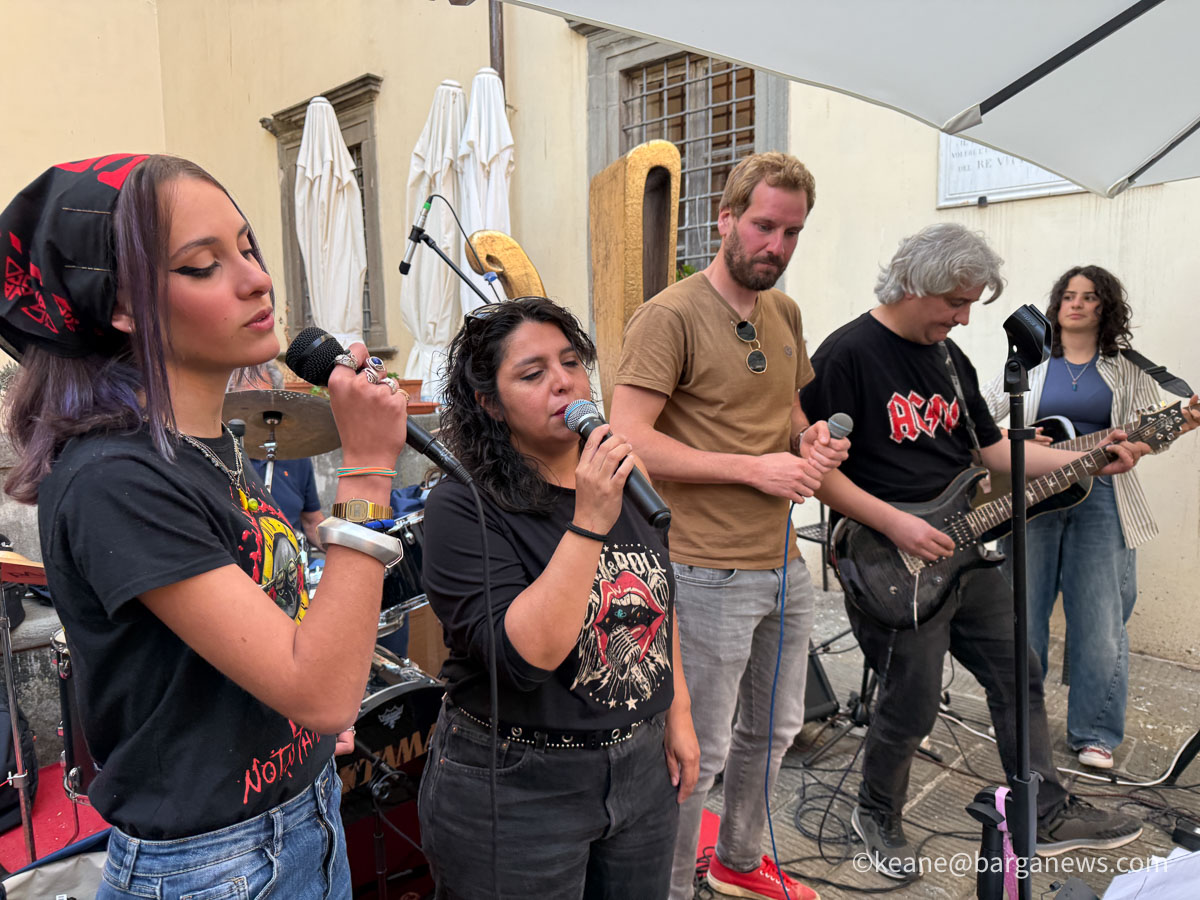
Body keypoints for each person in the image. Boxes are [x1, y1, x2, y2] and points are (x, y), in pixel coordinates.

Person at [1, 154, 409, 898]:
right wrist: (367, 474)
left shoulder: (208, 445)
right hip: (214, 869)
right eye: (202, 265)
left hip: (303, 821)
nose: (257, 279)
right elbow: (319, 688)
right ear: (121, 307)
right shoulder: (112, 481)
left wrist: (300, 731)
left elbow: (271, 657)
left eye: (249, 248)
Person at [801, 224, 1146, 880]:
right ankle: (876, 812)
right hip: (888, 558)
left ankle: (1041, 810)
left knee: (1021, 672)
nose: (964, 317)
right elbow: (814, 472)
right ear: (913, 285)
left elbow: (992, 453)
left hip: (966, 550)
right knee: (911, 699)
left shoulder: (949, 360)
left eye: (970, 304)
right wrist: (896, 524)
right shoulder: (846, 355)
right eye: (955, 302)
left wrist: (1088, 458)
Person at [611, 151, 847, 900]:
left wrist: (809, 440)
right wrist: (753, 469)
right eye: (764, 226)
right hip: (703, 568)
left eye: (792, 232)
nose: (776, 246)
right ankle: (671, 889)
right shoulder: (670, 316)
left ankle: (739, 861)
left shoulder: (785, 313)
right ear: (725, 220)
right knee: (699, 751)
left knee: (775, 731)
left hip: (782, 562)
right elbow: (627, 440)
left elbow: (788, 414)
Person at [417, 296, 698, 898]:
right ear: (490, 403)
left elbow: (658, 600)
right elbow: (526, 657)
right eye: (532, 373)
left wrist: (678, 713)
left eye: (571, 362)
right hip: (518, 783)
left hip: (641, 766)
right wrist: (590, 520)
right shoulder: (462, 505)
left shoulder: (625, 476)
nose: (563, 382)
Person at [982, 265, 1200, 769]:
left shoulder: (1127, 368)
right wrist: (1009, 437)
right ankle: (1019, 717)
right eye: (1068, 296)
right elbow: (982, 413)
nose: (1077, 304)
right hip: (1032, 495)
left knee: (1100, 621)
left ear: (1106, 306)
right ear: (1056, 305)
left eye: (1089, 296)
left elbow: (1150, 433)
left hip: (1103, 496)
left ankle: (1095, 732)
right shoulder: (1030, 363)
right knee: (1021, 613)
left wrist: (1152, 440)